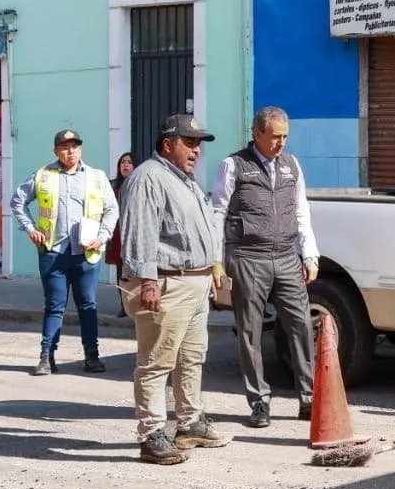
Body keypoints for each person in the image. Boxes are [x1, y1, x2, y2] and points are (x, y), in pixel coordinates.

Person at [119, 114, 230, 465]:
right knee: (155, 361)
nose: (196, 151)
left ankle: (189, 423)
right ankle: (151, 434)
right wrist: (147, 281)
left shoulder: (184, 180)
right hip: (167, 282)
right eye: (189, 143)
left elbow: (202, 229)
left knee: (191, 357)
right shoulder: (147, 177)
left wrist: (213, 265)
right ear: (168, 144)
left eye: (198, 144)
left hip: (194, 283)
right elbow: (138, 234)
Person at [210, 106, 319, 428]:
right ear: (257, 133)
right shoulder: (233, 165)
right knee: (250, 332)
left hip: (287, 257)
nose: (280, 143)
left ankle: (309, 398)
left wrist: (309, 255)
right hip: (248, 258)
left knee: (300, 325)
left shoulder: (291, 165)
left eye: (285, 136)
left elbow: (301, 211)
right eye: (274, 137)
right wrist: (217, 261)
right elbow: (217, 212)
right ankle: (259, 401)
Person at [9, 129, 119, 376]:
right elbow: (17, 201)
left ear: (81, 149)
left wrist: (102, 237)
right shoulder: (43, 176)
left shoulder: (96, 177)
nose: (71, 152)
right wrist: (30, 229)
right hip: (53, 251)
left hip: (86, 253)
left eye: (75, 147)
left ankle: (92, 356)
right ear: (56, 150)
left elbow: (112, 209)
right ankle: (47, 357)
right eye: (65, 147)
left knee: (88, 305)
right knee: (54, 306)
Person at [107, 152, 136, 317]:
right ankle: (123, 305)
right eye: (123, 162)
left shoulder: (140, 184)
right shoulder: (112, 186)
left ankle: (135, 303)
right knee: (121, 271)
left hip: (133, 232)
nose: (125, 165)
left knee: (134, 271)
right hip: (117, 233)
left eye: (130, 162)